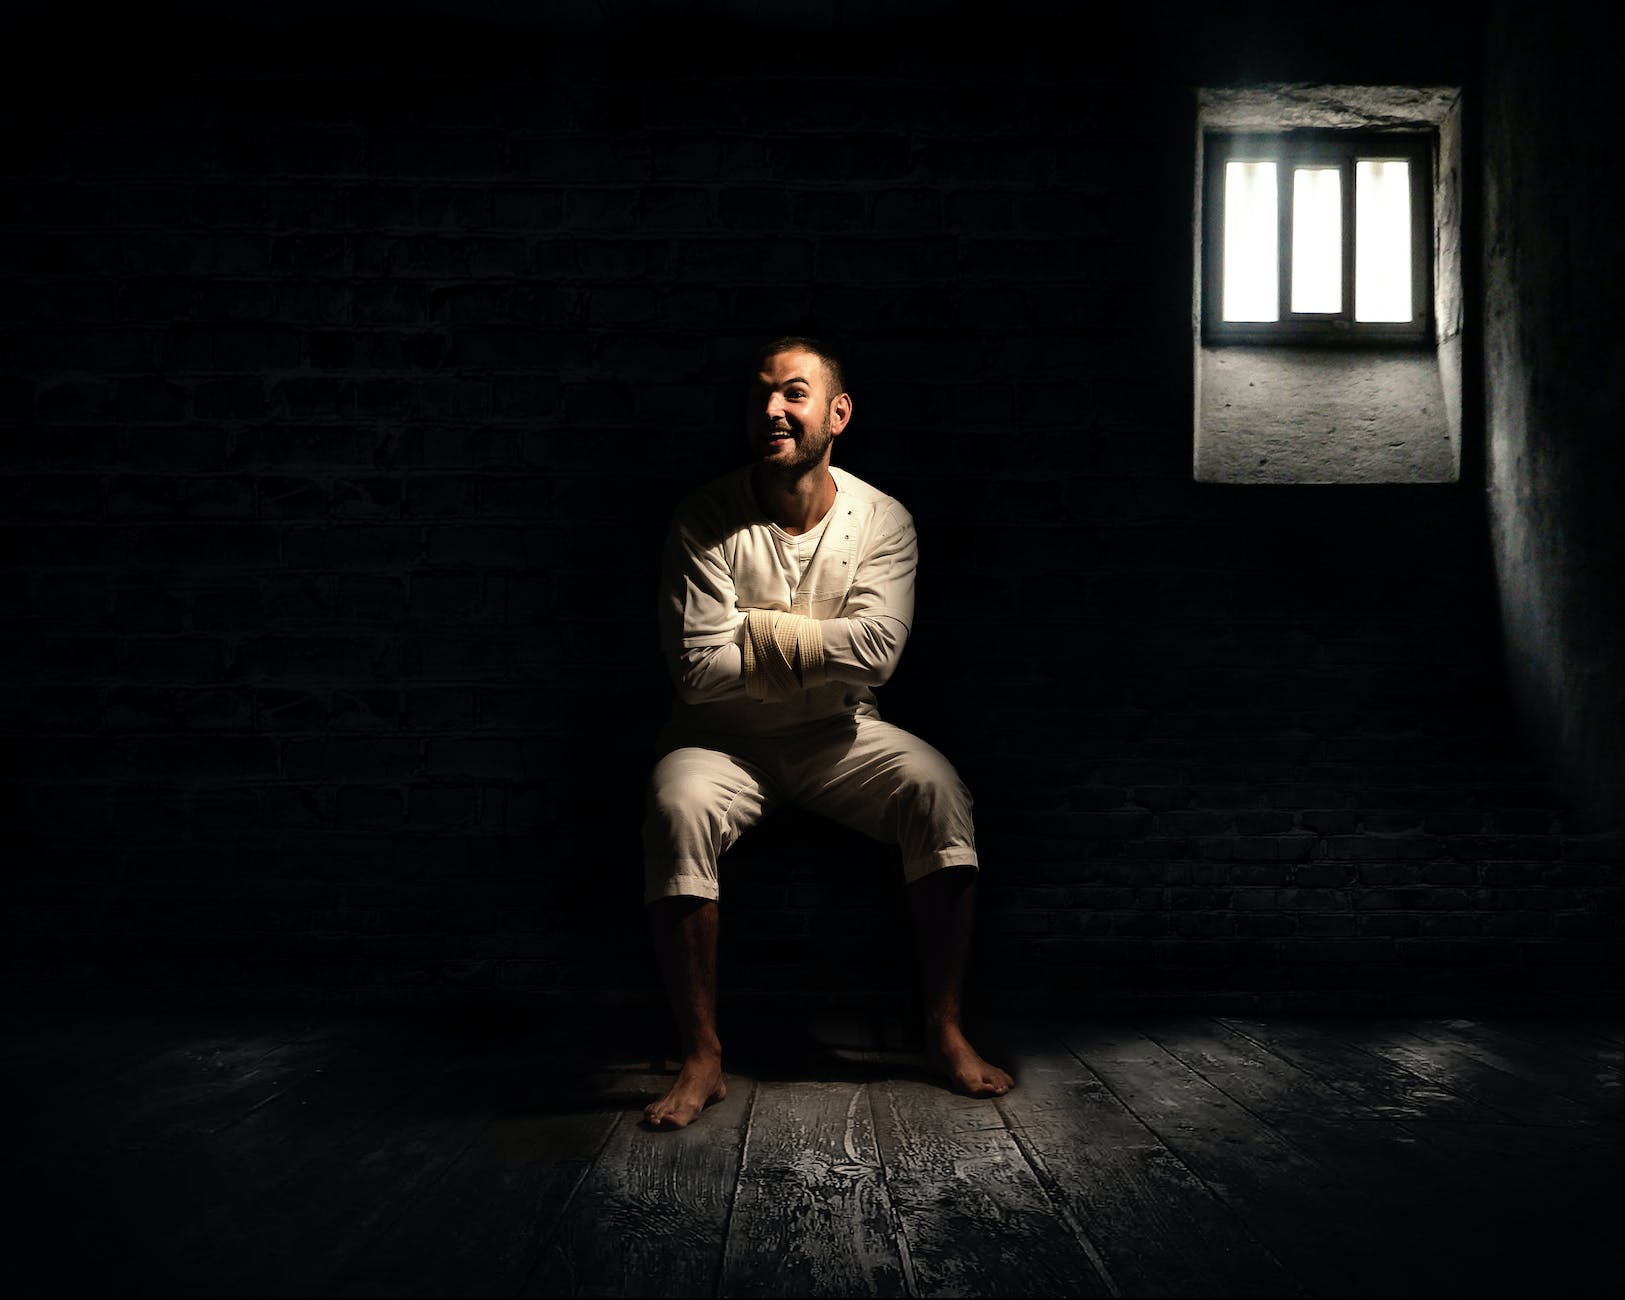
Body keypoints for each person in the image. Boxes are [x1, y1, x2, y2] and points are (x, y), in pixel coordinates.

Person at [641, 336, 1013, 1130]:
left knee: (937, 790)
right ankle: (702, 1055)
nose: (771, 410)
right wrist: (824, 645)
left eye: (793, 393)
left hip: (839, 733)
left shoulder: (881, 518)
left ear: (837, 413)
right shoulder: (706, 516)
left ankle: (944, 1031)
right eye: (760, 395)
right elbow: (698, 673)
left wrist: (750, 634)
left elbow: (878, 655)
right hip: (718, 740)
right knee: (676, 807)